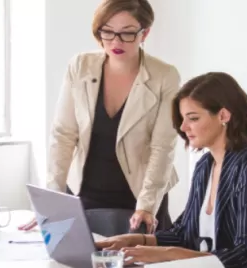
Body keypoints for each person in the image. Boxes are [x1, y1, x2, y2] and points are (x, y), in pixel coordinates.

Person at [95, 72, 247, 268]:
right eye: (183, 118)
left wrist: (167, 255)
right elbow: (184, 234)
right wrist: (134, 240)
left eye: (193, 118)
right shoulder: (205, 165)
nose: (183, 127)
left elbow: (246, 255)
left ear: (223, 115)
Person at [19, 0, 179, 234]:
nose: (115, 41)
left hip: (140, 196)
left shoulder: (165, 75)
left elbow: (162, 147)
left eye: (127, 33)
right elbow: (63, 135)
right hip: (86, 193)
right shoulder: (80, 66)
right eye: (107, 32)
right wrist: (52, 199)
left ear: (145, 33)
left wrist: (146, 205)